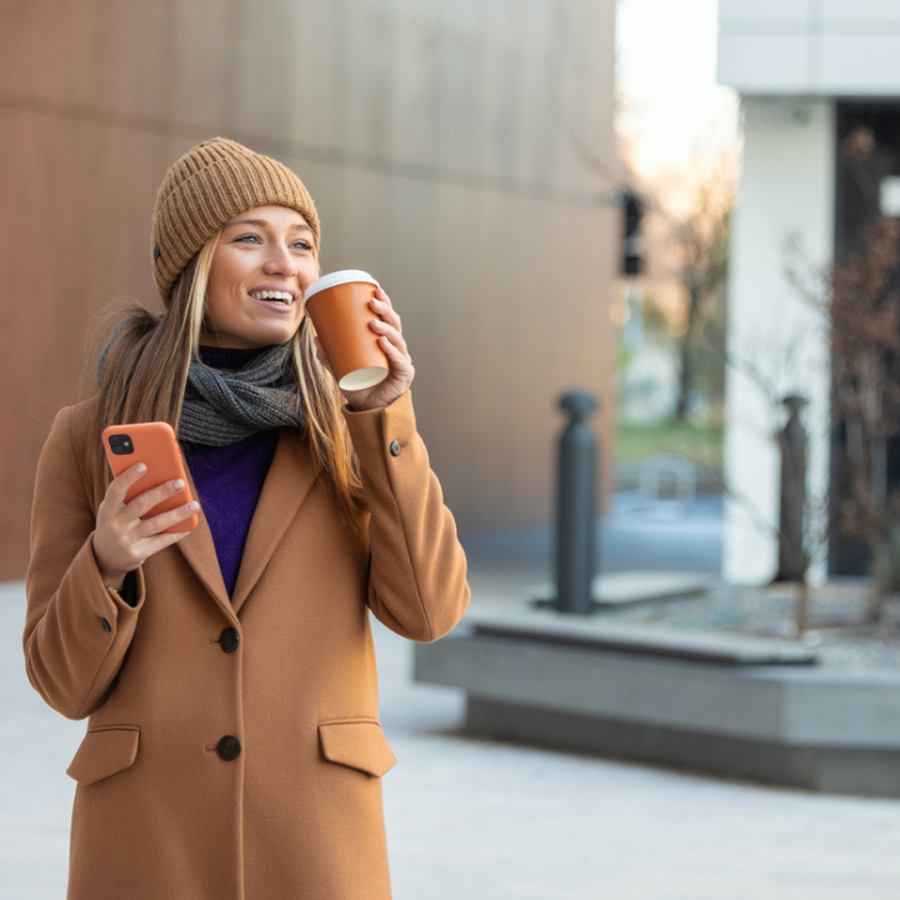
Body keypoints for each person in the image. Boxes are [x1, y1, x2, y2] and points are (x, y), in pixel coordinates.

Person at [23, 137, 470, 900]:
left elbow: (429, 612)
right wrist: (106, 561)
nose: (284, 264)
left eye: (301, 244)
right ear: (192, 264)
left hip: (314, 845)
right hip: (146, 846)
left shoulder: (348, 427)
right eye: (249, 238)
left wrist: (385, 412)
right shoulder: (87, 437)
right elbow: (62, 684)